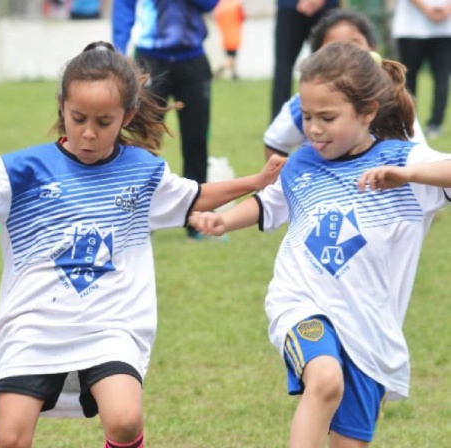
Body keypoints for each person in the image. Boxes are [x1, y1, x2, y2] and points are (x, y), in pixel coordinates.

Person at [0, 41, 285, 448]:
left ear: (128, 115)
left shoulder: (141, 171)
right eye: (77, 118)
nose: (88, 132)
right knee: (10, 438)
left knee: (125, 420)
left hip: (110, 323)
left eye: (104, 122)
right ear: (61, 108)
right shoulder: (23, 169)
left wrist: (256, 182)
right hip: (33, 324)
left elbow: (194, 195)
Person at [191, 41, 451, 447]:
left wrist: (411, 174)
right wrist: (222, 220)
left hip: (369, 330)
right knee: (326, 380)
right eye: (307, 116)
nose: (313, 129)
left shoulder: (402, 161)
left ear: (367, 112)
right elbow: (268, 204)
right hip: (301, 302)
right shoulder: (302, 162)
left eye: (328, 117)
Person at [112, 0, 217, 240]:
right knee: (144, 144)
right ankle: (137, 219)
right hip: (150, 59)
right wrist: (118, 49)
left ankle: (198, 220)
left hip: (193, 59)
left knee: (196, 140)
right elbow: (124, 7)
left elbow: (210, 4)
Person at [264, 8, 427, 160]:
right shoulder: (304, 102)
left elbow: (421, 158)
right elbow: (275, 142)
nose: (346, 54)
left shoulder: (393, 100)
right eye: (333, 48)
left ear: (372, 48)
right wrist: (283, 180)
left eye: (353, 44)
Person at [392, 0, 451, 139]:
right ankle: (410, 121)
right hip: (411, 28)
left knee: (439, 79)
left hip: (439, 29)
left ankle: (431, 123)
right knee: (407, 80)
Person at [271, 0, 338, 120]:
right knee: (283, 69)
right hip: (290, 5)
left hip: (324, 7)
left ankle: (329, 116)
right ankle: (279, 124)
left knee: (329, 67)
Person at [213, 0, 245, 81]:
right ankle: (220, 68)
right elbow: (242, 17)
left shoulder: (220, 4)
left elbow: (217, 19)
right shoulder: (236, 4)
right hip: (234, 32)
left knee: (229, 55)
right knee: (232, 56)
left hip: (225, 33)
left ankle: (234, 74)